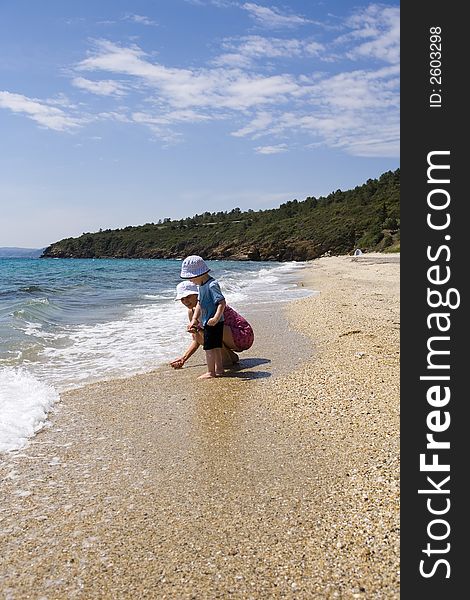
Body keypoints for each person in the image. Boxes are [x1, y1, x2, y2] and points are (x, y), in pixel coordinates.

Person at [171, 256, 254, 378]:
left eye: (188, 297)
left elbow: (220, 305)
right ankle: (230, 358)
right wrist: (183, 359)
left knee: (206, 332)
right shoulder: (192, 311)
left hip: (242, 334)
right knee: (201, 333)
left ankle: (218, 367)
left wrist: (204, 325)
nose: (185, 301)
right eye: (182, 299)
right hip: (229, 335)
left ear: (196, 294)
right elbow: (196, 340)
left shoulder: (210, 295)